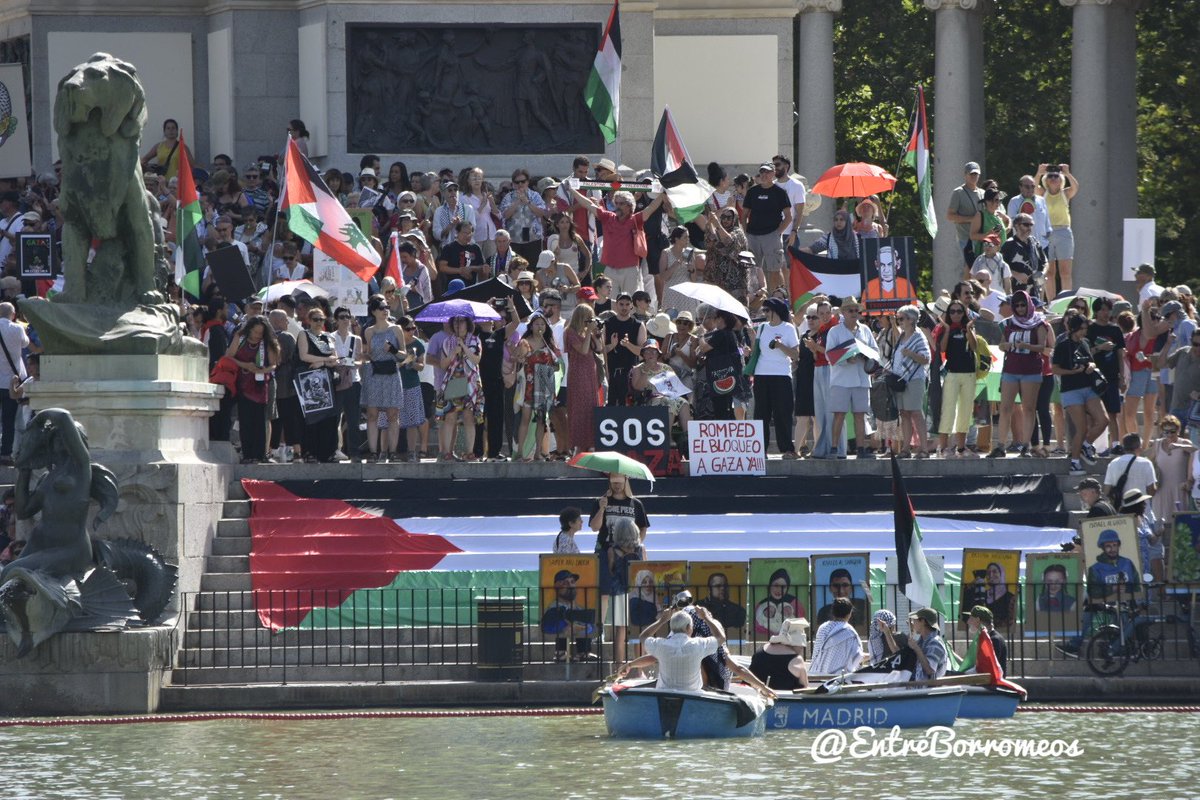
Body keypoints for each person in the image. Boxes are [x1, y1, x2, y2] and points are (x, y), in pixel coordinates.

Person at [590, 473, 650, 657]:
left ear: (625, 482)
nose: (616, 486)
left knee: (629, 602)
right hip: (606, 550)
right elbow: (594, 527)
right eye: (613, 483)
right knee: (604, 593)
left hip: (630, 553)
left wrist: (635, 546)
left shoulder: (635, 504)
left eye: (619, 483)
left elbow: (643, 527)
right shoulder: (602, 501)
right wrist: (601, 508)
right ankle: (599, 629)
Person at [614, 608, 722, 693]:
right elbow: (720, 638)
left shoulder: (661, 645)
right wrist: (707, 618)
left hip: (664, 696)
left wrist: (661, 620)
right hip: (692, 697)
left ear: (672, 628)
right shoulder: (699, 644)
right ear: (689, 627)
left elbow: (643, 637)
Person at [1052, 313, 1108, 476]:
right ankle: (1075, 463)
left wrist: (1091, 365)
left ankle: (1085, 445)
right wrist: (1072, 371)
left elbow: (1090, 360)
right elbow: (1055, 369)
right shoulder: (1062, 345)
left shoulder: (1085, 343)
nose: (1084, 331)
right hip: (1071, 390)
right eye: (1082, 328)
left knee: (1103, 420)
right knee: (1081, 428)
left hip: (1088, 387)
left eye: (1085, 328)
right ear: (1074, 328)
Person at [824, 297, 877, 459]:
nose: (854, 313)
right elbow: (829, 355)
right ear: (843, 313)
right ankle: (834, 449)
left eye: (856, 310)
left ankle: (861, 449)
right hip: (841, 380)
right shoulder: (835, 331)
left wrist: (865, 357)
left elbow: (875, 351)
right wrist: (847, 359)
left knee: (860, 415)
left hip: (861, 379)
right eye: (850, 310)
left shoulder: (865, 330)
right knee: (839, 414)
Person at [361, 295, 409, 462]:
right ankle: (373, 452)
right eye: (381, 308)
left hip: (391, 373)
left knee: (393, 414)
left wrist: (393, 350)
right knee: (372, 414)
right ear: (374, 311)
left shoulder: (396, 329)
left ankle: (393, 452)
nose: (385, 311)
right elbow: (368, 355)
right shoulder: (368, 331)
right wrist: (364, 355)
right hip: (374, 373)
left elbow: (404, 355)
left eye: (387, 307)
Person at [225, 315, 280, 463]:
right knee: (245, 420)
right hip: (242, 384)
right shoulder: (240, 337)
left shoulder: (267, 342)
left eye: (260, 333)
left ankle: (260, 453)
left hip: (261, 385)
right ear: (249, 329)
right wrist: (245, 366)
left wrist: (262, 370)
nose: (257, 336)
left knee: (260, 420)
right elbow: (228, 357)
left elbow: (274, 364)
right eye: (254, 332)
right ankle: (247, 454)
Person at [752, 297, 801, 458]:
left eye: (767, 310)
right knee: (761, 414)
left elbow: (795, 354)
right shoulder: (762, 328)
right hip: (761, 374)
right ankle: (761, 449)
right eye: (763, 310)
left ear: (776, 311)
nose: (764, 313)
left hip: (781, 375)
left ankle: (787, 448)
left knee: (783, 413)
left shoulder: (788, 328)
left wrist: (780, 345)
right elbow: (756, 351)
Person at [742, 164, 793, 296]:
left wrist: (777, 233)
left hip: (771, 235)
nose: (764, 175)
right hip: (752, 235)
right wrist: (745, 233)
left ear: (773, 174)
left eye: (767, 172)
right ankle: (755, 300)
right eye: (761, 172)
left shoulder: (780, 192)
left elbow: (788, 216)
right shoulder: (752, 192)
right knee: (752, 270)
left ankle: (776, 298)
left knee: (774, 270)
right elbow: (744, 215)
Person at [1035, 163, 1079, 293]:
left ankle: (1066, 300)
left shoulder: (1065, 193)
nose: (1053, 178)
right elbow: (1033, 187)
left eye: (1056, 176)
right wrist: (1039, 173)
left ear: (1061, 180)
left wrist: (1067, 173)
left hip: (1063, 232)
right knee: (1049, 272)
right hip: (1046, 233)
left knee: (1065, 272)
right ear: (1046, 180)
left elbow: (1075, 187)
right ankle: (1051, 303)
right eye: (1050, 176)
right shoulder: (1043, 193)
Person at [601, 292, 647, 407]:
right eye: (621, 304)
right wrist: (612, 345)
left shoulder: (638, 325)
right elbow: (600, 351)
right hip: (611, 372)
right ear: (616, 305)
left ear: (631, 305)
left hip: (631, 373)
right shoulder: (607, 324)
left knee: (629, 406)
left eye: (627, 304)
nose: (624, 307)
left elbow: (643, 353)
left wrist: (628, 345)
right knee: (611, 405)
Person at [541, 569, 594, 664]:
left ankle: (584, 652)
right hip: (559, 621)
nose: (570, 586)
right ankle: (560, 653)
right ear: (557, 585)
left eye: (572, 582)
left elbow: (591, 627)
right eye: (566, 583)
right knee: (563, 622)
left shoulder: (579, 609)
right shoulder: (554, 609)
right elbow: (547, 626)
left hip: (577, 621)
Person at [749, 617, 810, 691]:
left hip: (756, 698)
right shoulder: (796, 660)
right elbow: (805, 688)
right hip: (785, 701)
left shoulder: (760, 652)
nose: (802, 649)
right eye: (802, 646)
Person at [809, 598, 863, 676]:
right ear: (849, 614)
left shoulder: (823, 627)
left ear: (833, 612)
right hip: (837, 678)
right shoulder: (849, 632)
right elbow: (857, 656)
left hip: (816, 673)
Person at [946, 162, 985, 268]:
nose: (974, 177)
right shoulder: (958, 193)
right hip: (965, 238)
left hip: (981, 237)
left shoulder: (983, 193)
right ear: (965, 175)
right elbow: (950, 216)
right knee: (970, 268)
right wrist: (972, 219)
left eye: (976, 174)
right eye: (971, 174)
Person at [955, 605, 1008, 676]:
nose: (968, 622)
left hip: (992, 685)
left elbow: (987, 669)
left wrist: (964, 674)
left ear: (978, 620)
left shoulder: (994, 640)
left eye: (971, 618)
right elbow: (973, 665)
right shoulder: (985, 638)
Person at [862, 245, 916, 311]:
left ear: (898, 264)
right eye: (882, 265)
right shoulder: (870, 286)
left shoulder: (906, 285)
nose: (886, 270)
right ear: (876, 265)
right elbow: (864, 312)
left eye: (890, 264)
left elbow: (913, 313)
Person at [754, 567, 803, 636]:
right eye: (776, 585)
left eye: (783, 586)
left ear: (787, 588)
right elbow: (757, 627)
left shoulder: (795, 603)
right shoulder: (761, 605)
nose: (779, 590)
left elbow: (799, 624)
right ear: (770, 585)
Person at [907, 607, 948, 681]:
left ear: (923, 621)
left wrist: (916, 648)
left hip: (930, 691)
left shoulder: (935, 643)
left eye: (915, 620)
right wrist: (912, 633)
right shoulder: (922, 641)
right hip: (919, 690)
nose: (912, 622)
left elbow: (930, 670)